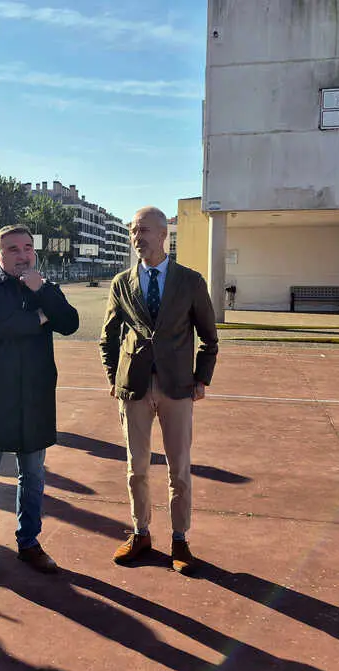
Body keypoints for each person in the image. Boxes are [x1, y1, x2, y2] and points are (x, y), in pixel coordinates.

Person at [98, 206, 219, 575]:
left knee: (178, 468)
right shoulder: (121, 282)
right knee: (137, 467)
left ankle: (179, 539)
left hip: (177, 386)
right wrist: (112, 378)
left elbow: (209, 338)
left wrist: (201, 378)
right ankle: (141, 532)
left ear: (163, 233)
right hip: (133, 387)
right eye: (134, 230)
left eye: (144, 230)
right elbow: (107, 337)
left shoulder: (190, 281)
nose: (138, 237)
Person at [0, 224, 79, 586]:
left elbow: (70, 323)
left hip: (34, 398)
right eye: (13, 249)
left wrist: (42, 295)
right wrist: (40, 318)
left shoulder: (45, 289)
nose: (23, 254)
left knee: (34, 477)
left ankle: (29, 543)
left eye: (27, 247)